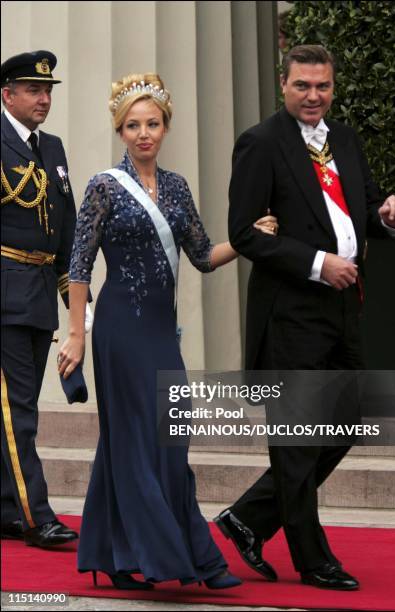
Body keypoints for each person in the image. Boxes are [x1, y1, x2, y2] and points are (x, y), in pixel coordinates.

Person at [58, 72, 277, 590]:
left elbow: (202, 256)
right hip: (119, 330)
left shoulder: (176, 186)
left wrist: (247, 240)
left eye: (151, 124)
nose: (143, 134)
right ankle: (178, 559)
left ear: (165, 126)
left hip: (160, 331)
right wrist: (76, 334)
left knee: (167, 439)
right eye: (132, 125)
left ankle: (113, 557)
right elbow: (79, 267)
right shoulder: (103, 187)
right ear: (120, 131)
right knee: (135, 441)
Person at [215, 45, 395, 590]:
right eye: (303, 86)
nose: (313, 96)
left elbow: (364, 209)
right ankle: (313, 559)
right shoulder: (260, 143)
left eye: (322, 86)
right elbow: (246, 232)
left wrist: (388, 216)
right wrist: (319, 263)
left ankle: (249, 519)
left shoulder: (342, 137)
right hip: (291, 313)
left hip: (344, 308)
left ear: (333, 85)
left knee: (345, 423)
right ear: (284, 84)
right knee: (298, 438)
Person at [0, 50, 86, 547]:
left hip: (37, 298)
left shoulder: (51, 147)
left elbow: (67, 231)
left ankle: (8, 509)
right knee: (18, 412)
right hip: (5, 296)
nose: (44, 99)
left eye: (48, 90)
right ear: (7, 94)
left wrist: (79, 302)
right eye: (34, 90)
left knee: (20, 405)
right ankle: (36, 514)